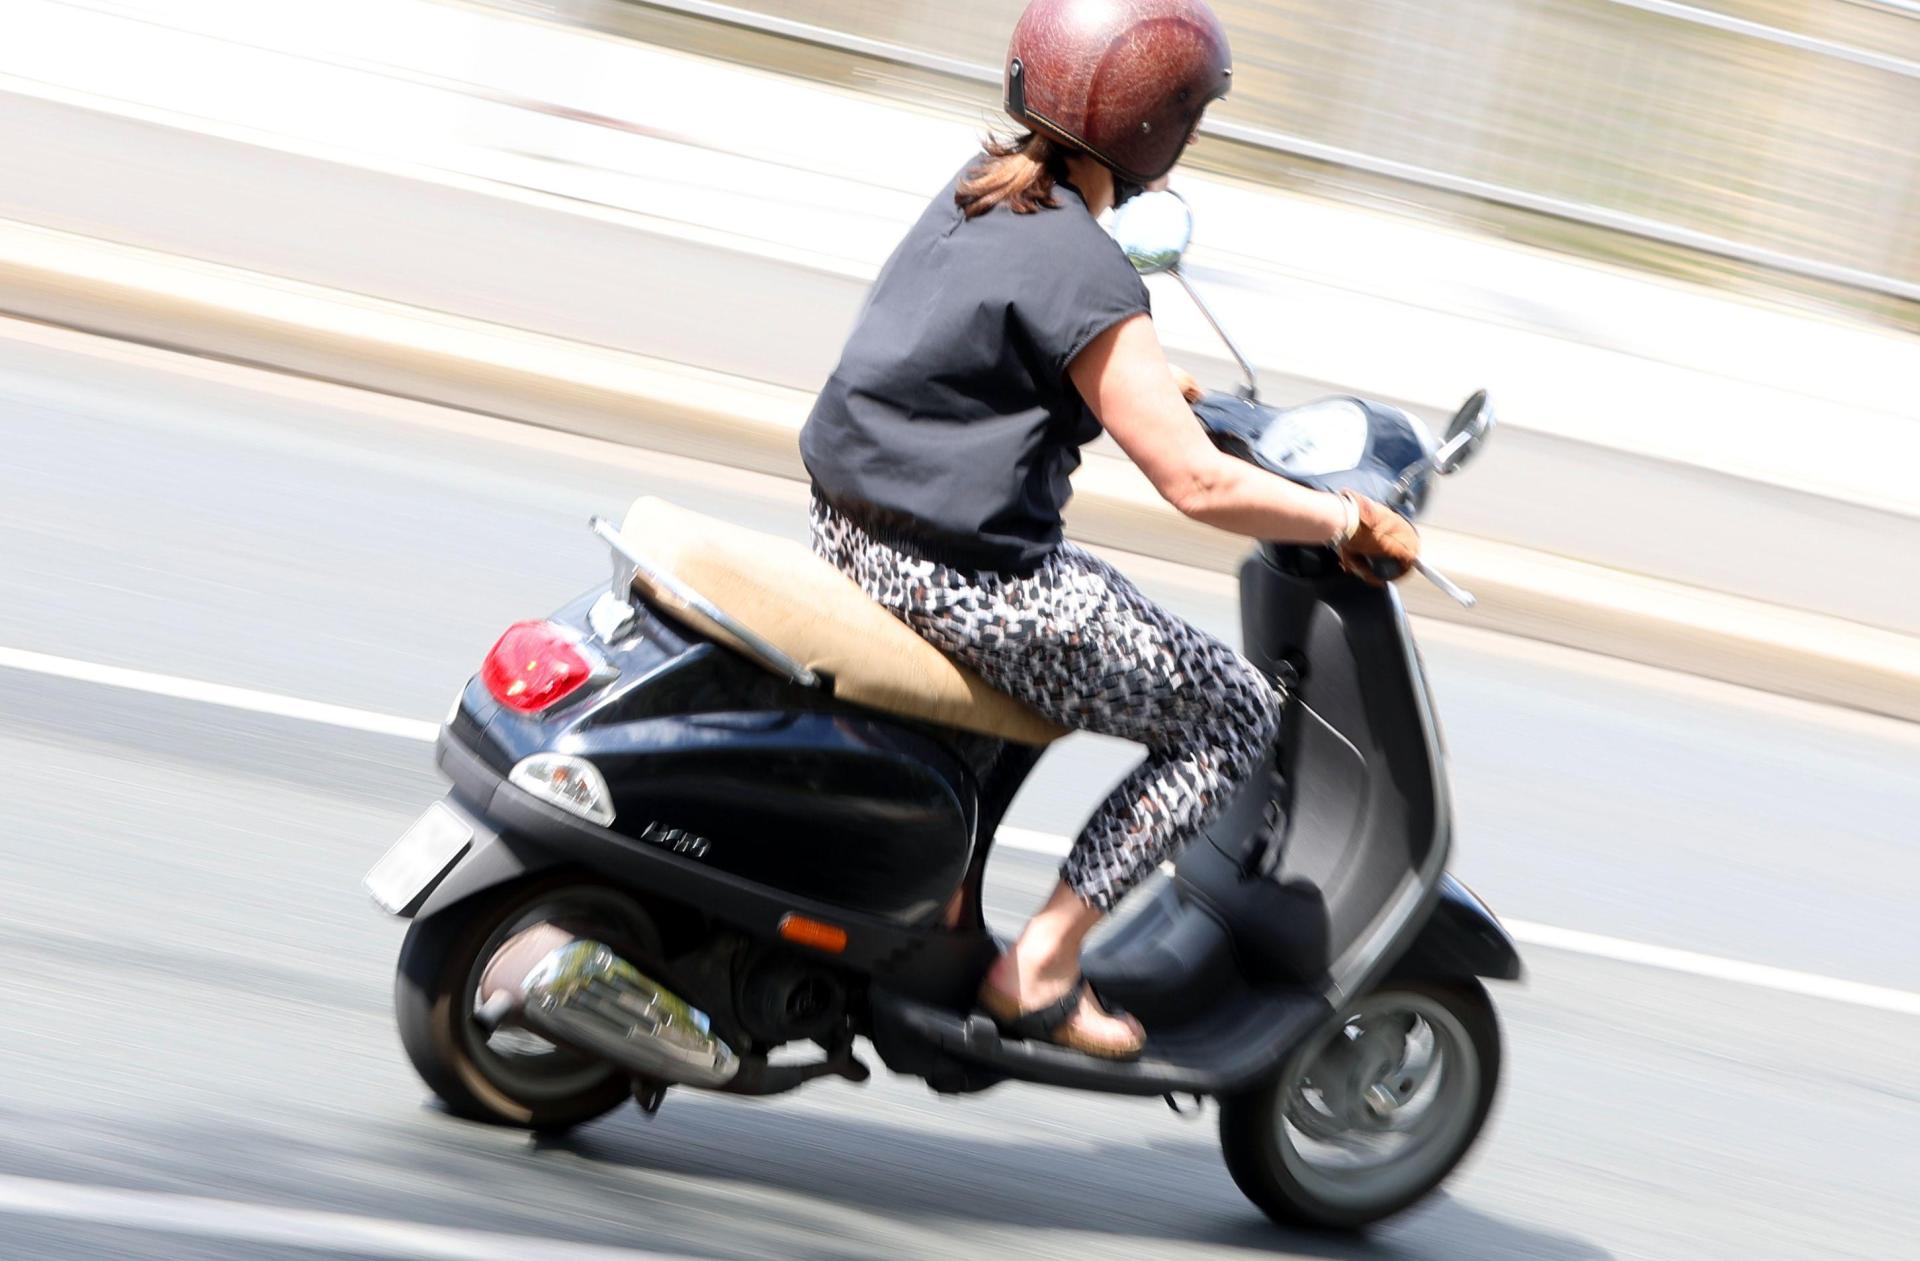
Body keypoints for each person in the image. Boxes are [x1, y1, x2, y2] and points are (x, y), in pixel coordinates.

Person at [799, 0, 1419, 1059]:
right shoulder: (1089, 268)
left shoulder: (978, 191)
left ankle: (947, 905)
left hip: (853, 533)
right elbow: (1195, 483)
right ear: (1155, 126)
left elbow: (972, 350)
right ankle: (1038, 965)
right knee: (1226, 709)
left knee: (1086, 637)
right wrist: (1343, 515)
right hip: (964, 576)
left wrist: (1131, 376)